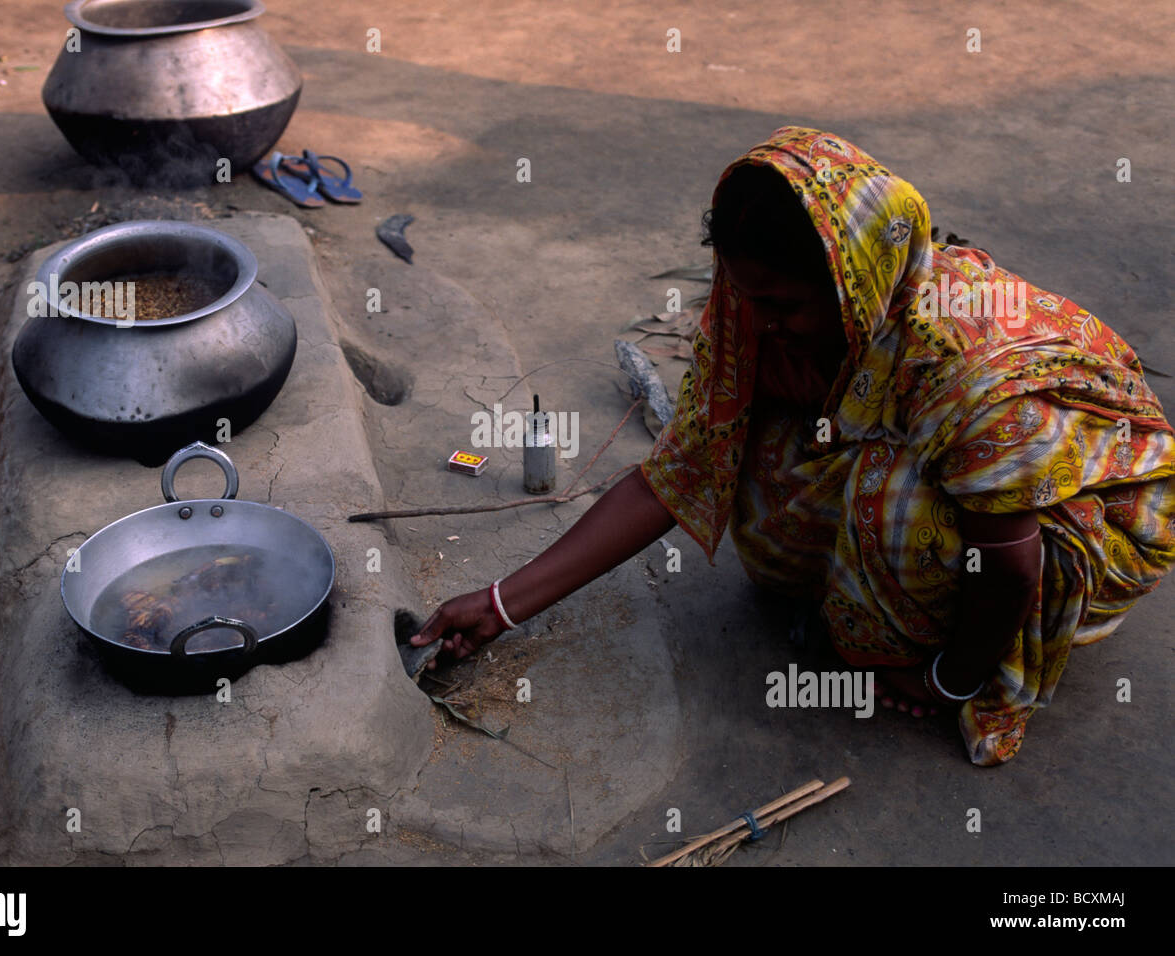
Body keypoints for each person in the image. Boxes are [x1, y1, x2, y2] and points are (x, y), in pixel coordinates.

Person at [410, 126, 1175, 766]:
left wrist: (951, 679)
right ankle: (861, 604)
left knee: (894, 500)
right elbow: (674, 478)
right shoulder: (755, 319)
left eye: (783, 304)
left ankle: (926, 654)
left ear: (857, 285)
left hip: (1082, 523)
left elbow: (1008, 558)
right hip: (939, 479)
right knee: (761, 451)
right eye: (743, 294)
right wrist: (500, 605)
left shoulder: (963, 365)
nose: (756, 320)